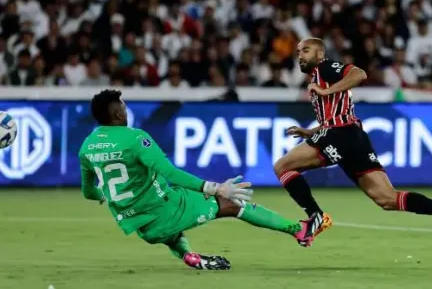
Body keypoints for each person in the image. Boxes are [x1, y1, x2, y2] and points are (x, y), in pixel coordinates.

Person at [79, 90, 318, 270]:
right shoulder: (135, 138)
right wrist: (216, 188)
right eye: (124, 106)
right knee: (233, 204)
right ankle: (299, 230)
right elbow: (170, 173)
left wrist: (105, 195)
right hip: (164, 212)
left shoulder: (87, 147)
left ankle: (188, 256)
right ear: (120, 114)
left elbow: (88, 192)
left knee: (170, 221)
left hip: (142, 227)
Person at [274, 38, 432, 239]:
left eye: (306, 51)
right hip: (353, 136)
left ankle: (316, 216)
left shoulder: (325, 68)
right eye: (298, 52)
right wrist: (311, 132)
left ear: (320, 54)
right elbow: (336, 115)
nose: (300, 56)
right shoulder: (318, 77)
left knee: (283, 167)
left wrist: (326, 91)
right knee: (387, 199)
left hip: (340, 134)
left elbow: (359, 74)